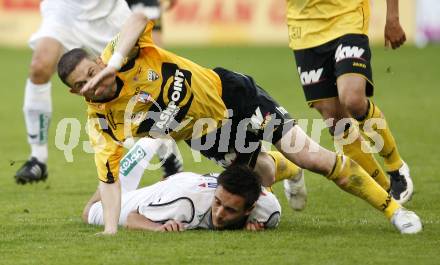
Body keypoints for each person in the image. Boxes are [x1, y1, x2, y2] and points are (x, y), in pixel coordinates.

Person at [57, 12, 422, 235]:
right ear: (77, 92)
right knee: (258, 176)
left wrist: (112, 61)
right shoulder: (101, 122)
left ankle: (395, 211)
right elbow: (107, 179)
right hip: (207, 137)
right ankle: (287, 172)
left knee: (313, 157)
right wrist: (109, 230)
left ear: (96, 62)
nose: (94, 81)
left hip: (233, 95)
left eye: (92, 71)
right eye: (83, 83)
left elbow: (138, 18)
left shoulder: (121, 57)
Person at [14, 0, 181, 184]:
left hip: (107, 14)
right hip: (64, 10)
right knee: (40, 66)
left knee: (144, 81)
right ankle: (38, 158)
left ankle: (170, 161)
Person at [285, 0, 413, 204]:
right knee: (334, 120)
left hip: (347, 18)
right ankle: (385, 189)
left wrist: (393, 17)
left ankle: (395, 164)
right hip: (304, 30)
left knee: (353, 100)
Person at [83, 165, 281, 232]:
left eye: (230, 210)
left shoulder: (268, 211)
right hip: (174, 190)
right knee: (91, 212)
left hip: (189, 183)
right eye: (218, 202)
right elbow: (133, 217)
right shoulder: (185, 205)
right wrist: (157, 228)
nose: (219, 214)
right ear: (217, 192)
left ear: (249, 209)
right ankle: (117, 169)